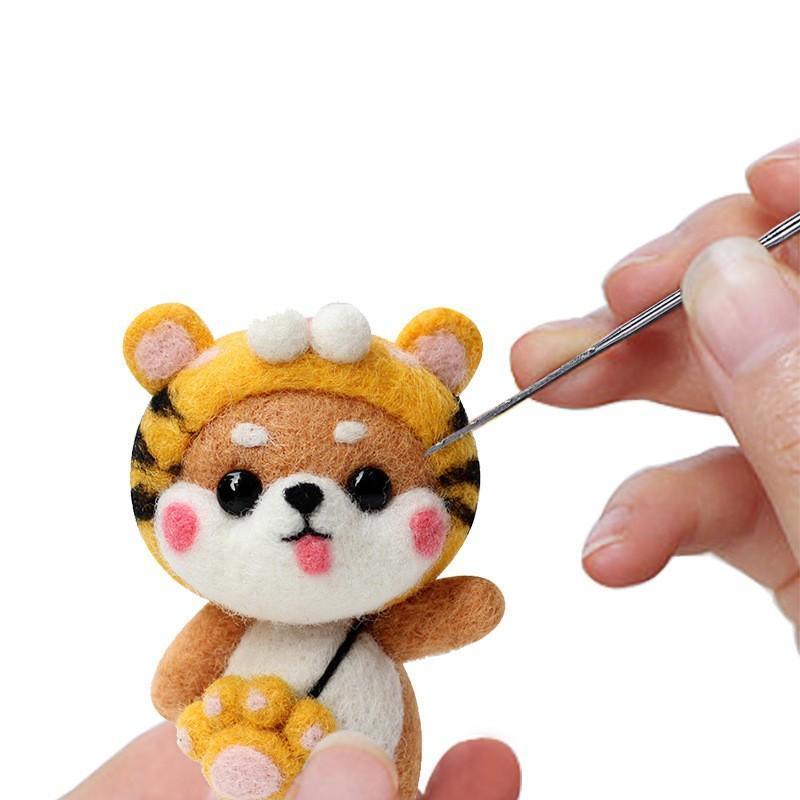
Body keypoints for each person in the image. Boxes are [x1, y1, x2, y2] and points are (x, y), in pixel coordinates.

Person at [65, 140, 798, 800]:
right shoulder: (231, 625)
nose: (306, 500)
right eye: (238, 489)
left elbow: (465, 608)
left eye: (369, 486)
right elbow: (176, 691)